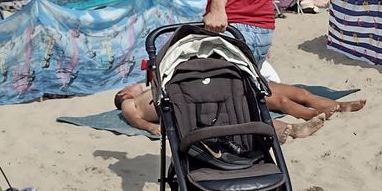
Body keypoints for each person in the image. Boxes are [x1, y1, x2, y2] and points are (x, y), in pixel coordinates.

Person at [113, 81, 360, 141]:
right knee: (277, 102)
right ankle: (308, 118)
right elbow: (133, 119)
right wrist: (150, 127)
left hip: (211, 87)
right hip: (198, 98)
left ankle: (333, 106)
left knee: (292, 93)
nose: (132, 85)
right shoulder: (129, 102)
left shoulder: (150, 87)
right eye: (128, 87)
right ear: (124, 94)